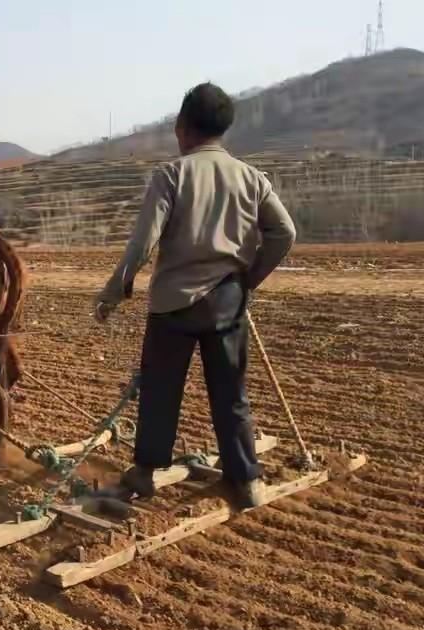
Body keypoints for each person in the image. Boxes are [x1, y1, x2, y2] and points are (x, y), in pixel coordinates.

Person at [94, 82, 296, 508]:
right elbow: (284, 232)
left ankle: (147, 473)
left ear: (183, 127)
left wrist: (115, 292)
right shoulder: (251, 177)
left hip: (173, 307)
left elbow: (143, 243)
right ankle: (246, 480)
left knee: (160, 392)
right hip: (227, 303)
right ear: (223, 129)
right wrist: (248, 279)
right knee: (232, 394)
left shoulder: (171, 175)